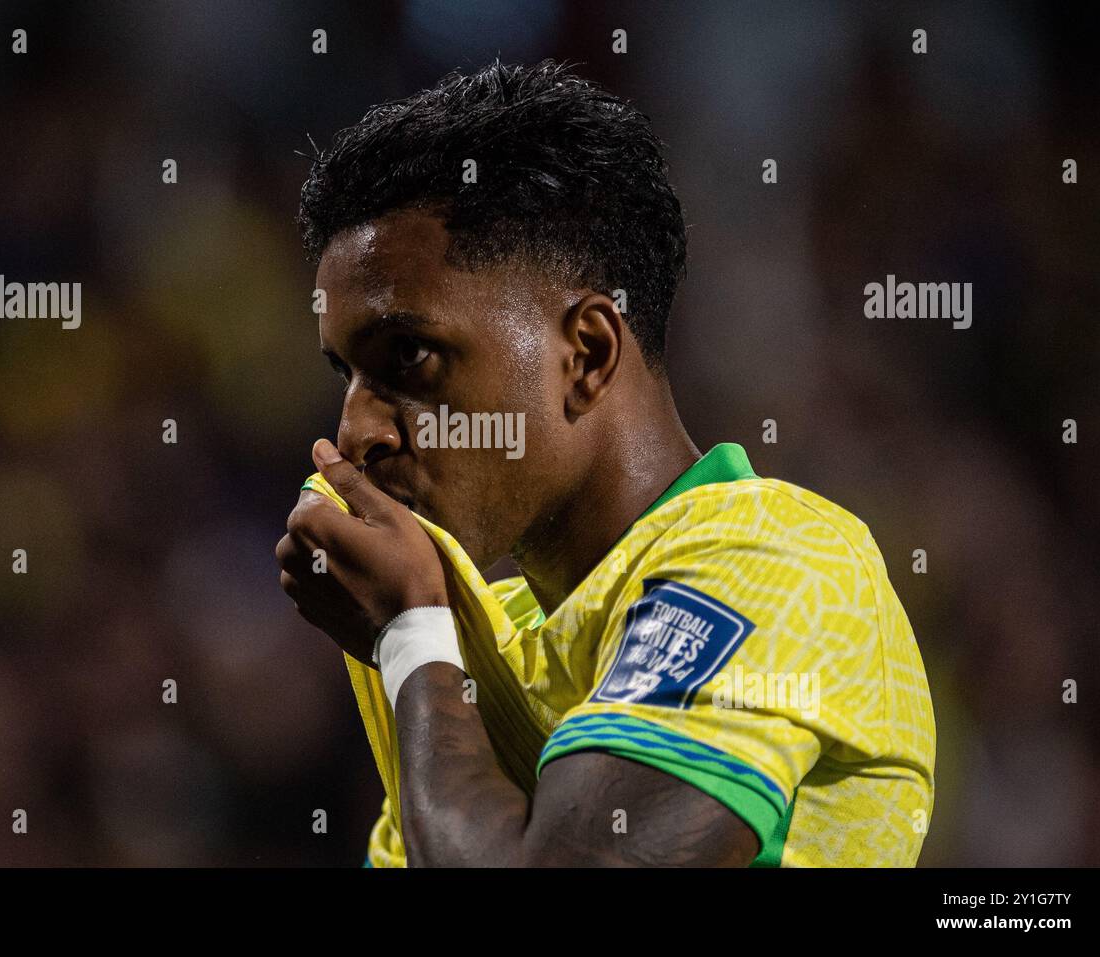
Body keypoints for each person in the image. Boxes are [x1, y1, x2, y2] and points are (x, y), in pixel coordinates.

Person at [277, 60, 935, 867]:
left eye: (407, 357)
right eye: (346, 375)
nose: (356, 433)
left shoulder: (774, 555)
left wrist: (410, 637)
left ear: (585, 353)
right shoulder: (484, 641)